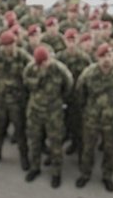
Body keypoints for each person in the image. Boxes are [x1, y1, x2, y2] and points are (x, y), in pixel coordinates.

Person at [74, 44, 113, 192]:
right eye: (102, 56)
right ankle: (85, 173)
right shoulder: (88, 73)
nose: (106, 60)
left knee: (110, 149)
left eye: (109, 56)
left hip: (112, 120)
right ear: (97, 57)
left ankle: (107, 176)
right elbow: (79, 94)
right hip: (91, 119)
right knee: (88, 148)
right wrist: (87, 110)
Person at [22, 46, 74, 188]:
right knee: (35, 140)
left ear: (49, 59)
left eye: (45, 62)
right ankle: (35, 168)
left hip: (53, 111)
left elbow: (68, 85)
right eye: (40, 63)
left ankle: (56, 172)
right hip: (35, 110)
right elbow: (26, 83)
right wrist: (39, 77)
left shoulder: (60, 69)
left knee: (55, 142)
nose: (43, 65)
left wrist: (59, 100)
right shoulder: (30, 69)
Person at [0, 30, 32, 170]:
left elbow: (31, 71)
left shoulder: (23, 56)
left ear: (15, 43)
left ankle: (24, 157)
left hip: (17, 100)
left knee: (20, 131)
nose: (8, 48)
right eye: (5, 45)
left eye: (11, 44)